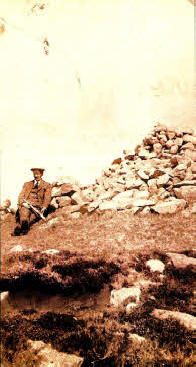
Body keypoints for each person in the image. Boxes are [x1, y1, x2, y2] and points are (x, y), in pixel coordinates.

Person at [12, 168, 51, 236]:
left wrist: (44, 206)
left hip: (38, 208)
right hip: (26, 206)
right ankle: (22, 229)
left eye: (37, 174)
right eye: (34, 174)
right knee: (24, 215)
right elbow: (21, 196)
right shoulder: (27, 184)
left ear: (41, 174)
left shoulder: (47, 185)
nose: (36, 176)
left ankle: (20, 228)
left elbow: (47, 197)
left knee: (31, 219)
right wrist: (23, 203)